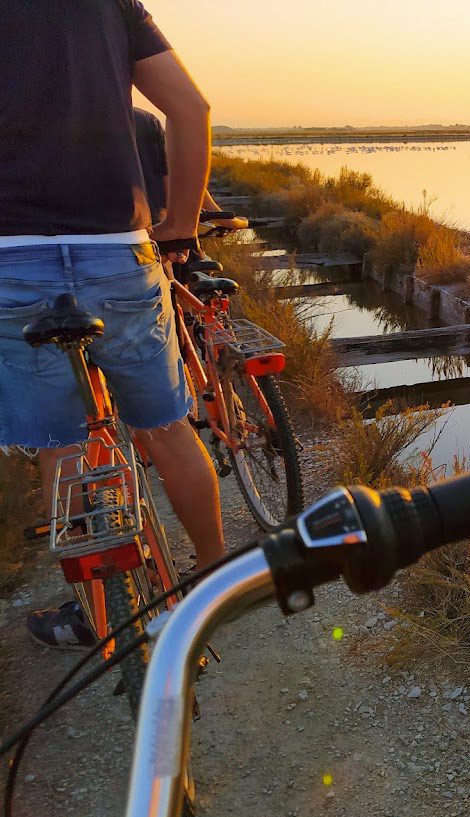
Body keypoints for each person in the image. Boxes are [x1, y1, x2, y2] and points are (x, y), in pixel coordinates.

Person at [0, 1, 225, 649]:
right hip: (116, 248)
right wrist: (179, 223)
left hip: (12, 256)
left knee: (59, 445)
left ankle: (95, 619)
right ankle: (212, 582)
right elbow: (190, 108)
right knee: (165, 428)